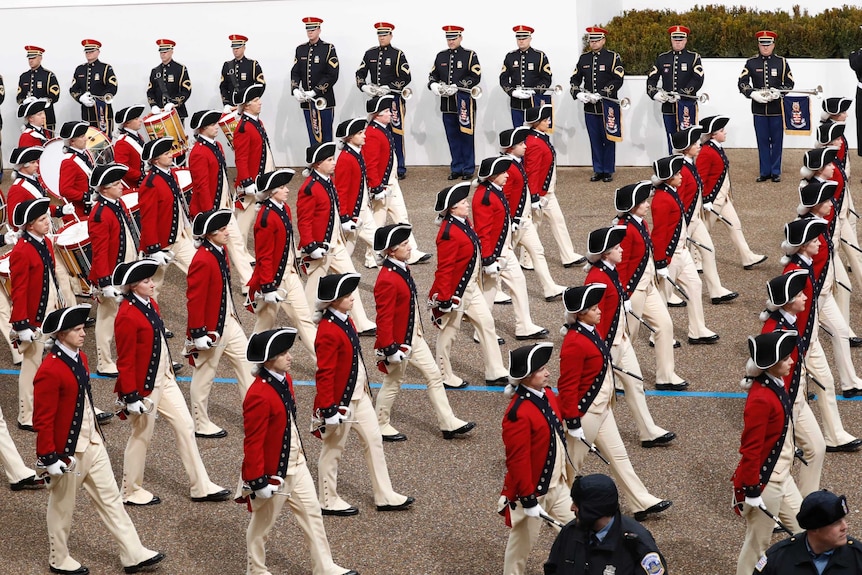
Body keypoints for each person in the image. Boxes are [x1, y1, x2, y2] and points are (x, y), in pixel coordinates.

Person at [33, 304, 165, 575]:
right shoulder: (50, 370)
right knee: (62, 509)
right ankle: (58, 558)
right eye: (77, 330)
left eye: (83, 329)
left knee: (112, 501)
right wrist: (49, 457)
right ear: (61, 335)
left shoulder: (79, 358)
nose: (83, 334)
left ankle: (133, 553)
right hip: (68, 452)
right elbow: (43, 420)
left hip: (92, 442)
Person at [241, 328, 359, 575]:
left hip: (296, 462)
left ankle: (324, 567)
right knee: (262, 526)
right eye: (283, 353)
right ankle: (256, 570)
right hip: (275, 471)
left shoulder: (286, 380)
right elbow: (253, 442)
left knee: (313, 513)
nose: (290, 357)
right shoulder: (258, 395)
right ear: (269, 360)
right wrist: (258, 480)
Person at [112, 259, 229, 507]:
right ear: (133, 286)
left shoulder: (149, 303)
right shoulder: (127, 315)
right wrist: (131, 396)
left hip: (163, 377)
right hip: (145, 386)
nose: (152, 284)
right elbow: (126, 361)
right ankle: (130, 490)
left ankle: (200, 485)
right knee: (141, 435)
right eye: (146, 281)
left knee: (186, 425)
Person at [557, 284, 671, 521]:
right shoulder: (574, 342)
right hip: (585, 412)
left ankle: (640, 501)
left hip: (601, 408)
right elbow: (568, 386)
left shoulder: (589, 331)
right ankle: (558, 507)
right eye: (593, 308)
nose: (599, 311)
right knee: (571, 465)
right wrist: (572, 420)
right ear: (579, 314)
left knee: (619, 456)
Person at [312, 272, 414, 516]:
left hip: (359, 395)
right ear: (334, 301)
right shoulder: (327, 331)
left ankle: (384, 494)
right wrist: (329, 409)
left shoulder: (344, 319)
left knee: (374, 441)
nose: (352, 299)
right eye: (347, 296)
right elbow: (324, 374)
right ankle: (328, 499)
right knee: (333, 450)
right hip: (341, 402)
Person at [372, 223, 476, 442]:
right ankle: (380, 424)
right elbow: (384, 318)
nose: (409, 247)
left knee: (434, 376)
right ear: (391, 250)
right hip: (400, 342)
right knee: (393, 382)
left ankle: (448, 422)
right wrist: (390, 348)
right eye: (404, 244)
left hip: (413, 337)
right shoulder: (387, 279)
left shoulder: (400, 267)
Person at [583, 226, 676, 449]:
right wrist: (601, 349)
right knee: (600, 396)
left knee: (635, 383)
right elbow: (595, 319)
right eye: (616, 247)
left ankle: (648, 431)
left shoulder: (609, 270)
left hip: (620, 339)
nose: (621, 249)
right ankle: (581, 437)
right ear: (605, 254)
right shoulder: (597, 278)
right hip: (608, 344)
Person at [781, 216, 862, 453]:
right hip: (799, 341)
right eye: (814, 240)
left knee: (824, 382)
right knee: (793, 393)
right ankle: (786, 442)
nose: (820, 243)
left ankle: (834, 435)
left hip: (809, 337)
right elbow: (794, 313)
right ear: (804, 245)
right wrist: (801, 346)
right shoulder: (795, 272)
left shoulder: (804, 265)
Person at [499, 342, 574, 575]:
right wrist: (528, 499)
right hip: (534, 491)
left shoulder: (548, 395)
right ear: (528, 376)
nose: (548, 372)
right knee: (520, 550)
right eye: (541, 369)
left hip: (558, 485)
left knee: (577, 531)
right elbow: (517, 461)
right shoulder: (517, 414)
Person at [733, 330, 803, 575]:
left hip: (783, 475)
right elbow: (750, 449)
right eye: (785, 358)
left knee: (804, 531)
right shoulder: (761, 398)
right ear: (771, 363)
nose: (791, 361)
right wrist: (752, 489)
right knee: (756, 546)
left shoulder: (774, 383)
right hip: (766, 482)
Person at [429, 182, 509, 388]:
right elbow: (445, 269)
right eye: (463, 203)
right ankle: (444, 375)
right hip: (457, 292)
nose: (467, 205)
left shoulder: (463, 222)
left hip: (471, 288)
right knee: (448, 334)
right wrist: (445, 298)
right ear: (453, 208)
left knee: (487, 323)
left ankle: (495, 370)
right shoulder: (448, 233)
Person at [613, 181, 689, 392]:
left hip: (648, 286)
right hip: (633, 290)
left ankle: (665, 375)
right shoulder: (624, 229)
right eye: (643, 202)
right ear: (632, 206)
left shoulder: (640, 223)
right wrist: (623, 295)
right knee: (627, 336)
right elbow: (622, 266)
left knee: (664, 325)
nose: (647, 205)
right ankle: (616, 377)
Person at [186, 209, 254, 438]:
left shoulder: (219, 251)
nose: (227, 232)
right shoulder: (202, 260)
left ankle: (254, 416)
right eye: (222, 229)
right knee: (204, 377)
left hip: (228, 321)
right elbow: (195, 300)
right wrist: (198, 333)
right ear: (209, 234)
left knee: (248, 366)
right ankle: (200, 422)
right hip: (211, 329)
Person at [759, 270, 828, 497]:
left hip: (797, 396)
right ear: (788, 301)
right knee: (781, 458)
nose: (805, 298)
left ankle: (806, 505)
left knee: (817, 447)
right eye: (800, 295)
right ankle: (775, 506)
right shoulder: (775, 330)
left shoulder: (789, 321)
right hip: (785, 401)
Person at [296, 142, 376, 335]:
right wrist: (310, 246)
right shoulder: (309, 188)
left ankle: (362, 322)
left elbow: (333, 207)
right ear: (317, 164)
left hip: (335, 242)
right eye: (329, 160)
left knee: (350, 278)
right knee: (313, 288)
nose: (334, 163)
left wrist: (345, 221)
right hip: (320, 246)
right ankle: (306, 327)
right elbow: (304, 221)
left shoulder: (327, 180)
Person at [473, 156, 547, 340]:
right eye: (502, 173)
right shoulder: (485, 197)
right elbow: (484, 232)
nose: (507, 175)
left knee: (515, 283)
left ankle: (523, 326)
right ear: (492, 176)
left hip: (503, 248)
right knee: (490, 291)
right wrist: (489, 259)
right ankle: (483, 330)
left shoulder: (494, 190)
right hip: (496, 252)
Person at [246, 169, 317, 358]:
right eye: (282, 187)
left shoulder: (283, 208)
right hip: (274, 280)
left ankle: (324, 361)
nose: (287, 190)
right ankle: (251, 361)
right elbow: (264, 256)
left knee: (304, 320)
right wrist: (268, 287)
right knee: (263, 327)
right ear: (271, 192)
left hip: (289, 274)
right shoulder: (266, 219)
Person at [650, 154, 719, 345]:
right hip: (670, 255)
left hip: (682, 251)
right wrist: (660, 261)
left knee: (695, 285)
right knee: (662, 295)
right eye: (678, 174)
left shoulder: (670, 192)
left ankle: (697, 329)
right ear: (669, 177)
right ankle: (656, 334)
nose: (682, 176)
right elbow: (659, 233)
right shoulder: (662, 199)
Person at [544, 474, 669, 575]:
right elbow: (552, 568)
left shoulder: (637, 544)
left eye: (577, 504)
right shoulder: (570, 532)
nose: (572, 508)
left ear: (593, 509)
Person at [10, 198, 63, 431]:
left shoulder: (44, 242)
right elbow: (19, 291)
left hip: (49, 307)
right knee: (31, 365)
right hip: (33, 317)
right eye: (42, 220)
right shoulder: (22, 251)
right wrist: (22, 324)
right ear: (30, 225)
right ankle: (26, 415)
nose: (47, 222)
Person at [672, 125, 739, 305]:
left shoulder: (689, 164)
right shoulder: (681, 169)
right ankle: (667, 292)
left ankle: (716, 290)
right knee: (674, 259)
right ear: (686, 148)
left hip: (695, 217)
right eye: (694, 143)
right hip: (685, 221)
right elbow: (679, 199)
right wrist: (681, 224)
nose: (699, 145)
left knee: (709, 250)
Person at [188, 109, 254, 288]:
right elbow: (201, 187)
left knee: (237, 243)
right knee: (214, 251)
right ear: (201, 129)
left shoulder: (216, 146)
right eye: (211, 125)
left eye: (215, 123)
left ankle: (248, 283)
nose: (216, 127)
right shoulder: (198, 152)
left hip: (223, 206)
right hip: (212, 210)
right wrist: (210, 216)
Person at [362, 95, 430, 265]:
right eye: (386, 111)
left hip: (391, 182)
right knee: (379, 221)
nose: (391, 114)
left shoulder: (382, 129)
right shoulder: (372, 133)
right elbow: (371, 164)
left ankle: (411, 252)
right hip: (383, 185)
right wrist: (377, 187)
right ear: (377, 115)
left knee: (402, 217)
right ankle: (371, 257)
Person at [499, 127, 565, 301]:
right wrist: (510, 220)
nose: (525, 147)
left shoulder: (516, 163)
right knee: (501, 258)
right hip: (514, 222)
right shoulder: (506, 167)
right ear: (510, 148)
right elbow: (504, 198)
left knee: (538, 251)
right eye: (521, 144)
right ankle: (494, 290)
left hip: (524, 220)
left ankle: (549, 287)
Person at [696, 115, 767, 270]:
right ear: (713, 134)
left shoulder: (716, 148)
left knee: (735, 225)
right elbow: (702, 178)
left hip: (723, 197)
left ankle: (747, 257)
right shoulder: (707, 152)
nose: (725, 132)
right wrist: (705, 199)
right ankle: (696, 261)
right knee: (703, 230)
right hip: (713, 199)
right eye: (722, 130)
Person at [88, 164, 138, 377]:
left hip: (124, 268)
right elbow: (99, 252)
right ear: (105, 189)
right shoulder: (100, 214)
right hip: (111, 275)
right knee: (107, 319)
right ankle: (104, 362)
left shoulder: (116, 204)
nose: (122, 187)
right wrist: (105, 283)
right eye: (117, 184)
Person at [524, 104, 584, 268]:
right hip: (541, 193)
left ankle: (568, 255)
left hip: (547, 191)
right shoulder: (534, 143)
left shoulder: (539, 137)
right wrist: (534, 197)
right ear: (536, 123)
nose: (548, 121)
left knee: (557, 221)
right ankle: (526, 259)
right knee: (533, 225)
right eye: (545, 119)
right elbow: (533, 172)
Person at [755, 489, 862, 574]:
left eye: (844, 519)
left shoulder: (858, 557)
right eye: (836, 523)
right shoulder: (777, 559)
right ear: (815, 529)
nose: (845, 527)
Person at [139, 137, 194, 298]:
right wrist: (154, 249)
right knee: (152, 288)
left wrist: (188, 229)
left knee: (199, 267)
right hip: (161, 243)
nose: (171, 155)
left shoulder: (171, 175)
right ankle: (150, 321)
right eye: (167, 153)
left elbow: (178, 206)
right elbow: (148, 219)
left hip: (179, 237)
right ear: (156, 160)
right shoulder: (150, 184)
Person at [356, 22, 411, 180]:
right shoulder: (370, 53)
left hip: (394, 100)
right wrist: (363, 86)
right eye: (380, 35)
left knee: (397, 133)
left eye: (385, 35)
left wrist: (390, 87)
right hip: (376, 100)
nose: (382, 37)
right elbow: (360, 72)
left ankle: (400, 168)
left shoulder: (398, 54)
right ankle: (382, 166)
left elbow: (406, 76)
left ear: (391, 35)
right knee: (377, 134)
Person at [570, 26, 625, 183]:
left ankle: (608, 170)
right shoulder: (584, 58)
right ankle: (598, 169)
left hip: (608, 106)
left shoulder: (613, 57)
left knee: (608, 137)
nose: (593, 43)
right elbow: (574, 79)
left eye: (596, 40)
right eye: (591, 40)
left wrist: (602, 93)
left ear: (603, 40)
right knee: (594, 138)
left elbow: (618, 79)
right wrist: (578, 93)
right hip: (590, 107)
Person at [738, 30, 794, 183]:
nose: (765, 47)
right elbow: (742, 82)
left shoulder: (781, 62)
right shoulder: (751, 62)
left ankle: (776, 172)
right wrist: (751, 93)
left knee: (777, 141)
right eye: (762, 44)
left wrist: (780, 93)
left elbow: (790, 83)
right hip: (759, 109)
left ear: (773, 45)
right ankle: (764, 172)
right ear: (758, 45)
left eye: (768, 44)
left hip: (776, 108)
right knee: (762, 141)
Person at [428, 25, 481, 181]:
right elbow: (433, 75)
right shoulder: (440, 56)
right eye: (448, 38)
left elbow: (476, 76)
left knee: (466, 136)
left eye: (453, 38)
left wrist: (458, 86)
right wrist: (434, 85)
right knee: (452, 137)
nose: (450, 41)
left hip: (465, 104)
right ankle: (456, 167)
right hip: (447, 104)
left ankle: (468, 168)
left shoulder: (470, 55)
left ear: (460, 37)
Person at [646, 25, 705, 152]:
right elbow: (651, 78)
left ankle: (688, 167)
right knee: (671, 138)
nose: (678, 42)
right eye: (675, 39)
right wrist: (654, 93)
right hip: (668, 106)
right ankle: (674, 166)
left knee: (688, 138)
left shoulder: (694, 58)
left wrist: (681, 94)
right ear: (671, 40)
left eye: (681, 39)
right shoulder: (662, 58)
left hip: (686, 105)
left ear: (686, 40)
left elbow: (697, 78)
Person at [232, 84, 271, 259]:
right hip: (251, 182)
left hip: (260, 178)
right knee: (243, 220)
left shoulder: (257, 122)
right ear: (246, 105)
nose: (261, 103)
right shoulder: (243, 128)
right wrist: (247, 182)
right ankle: (240, 253)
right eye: (256, 101)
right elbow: (241, 158)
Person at [332, 117, 376, 265]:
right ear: (350, 138)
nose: (364, 135)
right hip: (355, 210)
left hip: (362, 206)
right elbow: (341, 190)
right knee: (379, 241)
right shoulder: (346, 159)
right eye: (360, 133)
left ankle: (337, 272)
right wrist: (344, 217)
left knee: (346, 248)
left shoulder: (356, 153)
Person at [291, 17, 339, 146]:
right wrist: (295, 88)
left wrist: (315, 91)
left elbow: (332, 74)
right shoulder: (300, 49)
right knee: (312, 133)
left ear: (319, 30)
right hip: (307, 101)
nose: (310, 32)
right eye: (308, 29)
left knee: (326, 134)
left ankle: (328, 165)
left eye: (313, 29)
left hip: (324, 100)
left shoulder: (328, 48)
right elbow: (295, 71)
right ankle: (315, 165)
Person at [499, 25, 552, 128]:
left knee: (535, 132)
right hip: (516, 103)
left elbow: (546, 78)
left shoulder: (540, 56)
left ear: (530, 39)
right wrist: (512, 92)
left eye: (524, 38)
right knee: (518, 134)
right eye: (519, 38)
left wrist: (534, 91)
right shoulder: (510, 56)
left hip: (534, 102)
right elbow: (503, 78)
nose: (521, 41)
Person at [69, 39, 118, 135]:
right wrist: (81, 98)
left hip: (103, 112)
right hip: (86, 112)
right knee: (87, 138)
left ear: (98, 52)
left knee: (104, 139)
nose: (88, 53)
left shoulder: (106, 68)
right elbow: (73, 89)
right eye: (87, 51)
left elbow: (112, 87)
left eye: (91, 51)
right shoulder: (80, 69)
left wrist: (100, 99)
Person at [146, 39, 192, 123]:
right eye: (161, 52)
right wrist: (153, 105)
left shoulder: (180, 69)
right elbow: (150, 91)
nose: (162, 55)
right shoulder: (155, 71)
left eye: (165, 52)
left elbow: (186, 90)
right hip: (159, 113)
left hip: (176, 112)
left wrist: (174, 103)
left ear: (171, 52)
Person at [17, 45, 61, 133]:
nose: (31, 60)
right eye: (29, 58)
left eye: (33, 58)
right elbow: (19, 96)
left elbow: (55, 95)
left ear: (40, 58)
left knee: (47, 144)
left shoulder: (48, 75)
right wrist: (24, 101)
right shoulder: (24, 76)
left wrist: (43, 101)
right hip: (30, 119)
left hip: (46, 118)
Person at [58, 120, 94, 221]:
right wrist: (86, 197)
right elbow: (64, 190)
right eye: (82, 136)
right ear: (72, 141)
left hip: (87, 210)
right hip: (78, 213)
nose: (86, 139)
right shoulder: (68, 162)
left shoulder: (84, 155)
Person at [219, 34, 265, 111]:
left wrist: (252, 101)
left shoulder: (252, 64)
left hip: (248, 107)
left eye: (238, 48)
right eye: (233, 48)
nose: (235, 50)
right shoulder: (227, 65)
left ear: (244, 48)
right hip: (232, 107)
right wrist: (226, 104)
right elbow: (223, 86)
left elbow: (260, 84)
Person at [112, 105, 147, 190]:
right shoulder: (122, 142)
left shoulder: (138, 136)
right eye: (136, 119)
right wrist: (140, 176)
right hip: (132, 186)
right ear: (127, 123)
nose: (141, 120)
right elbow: (122, 166)